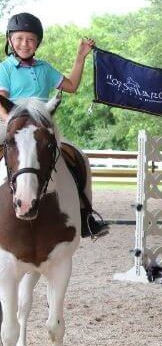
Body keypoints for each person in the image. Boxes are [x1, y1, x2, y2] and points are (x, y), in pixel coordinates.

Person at [0, 12, 109, 239]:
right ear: (10, 40)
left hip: (42, 125)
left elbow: (71, 86)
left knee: (77, 157)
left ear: (37, 43)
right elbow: (1, 102)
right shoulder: (5, 68)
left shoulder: (45, 68)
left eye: (30, 39)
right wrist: (13, 123)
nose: (24, 44)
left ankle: (85, 215)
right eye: (19, 38)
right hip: (11, 123)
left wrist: (80, 58)